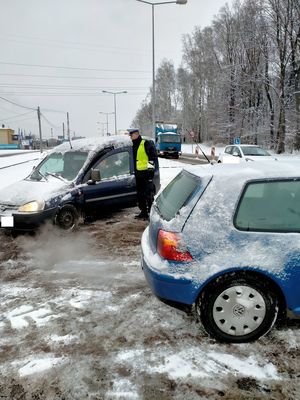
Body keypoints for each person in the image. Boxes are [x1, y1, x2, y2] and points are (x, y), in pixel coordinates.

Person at [128, 128, 158, 220]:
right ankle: (144, 212)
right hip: (137, 175)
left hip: (145, 175)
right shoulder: (132, 145)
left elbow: (152, 158)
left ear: (136, 134)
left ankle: (151, 214)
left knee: (148, 195)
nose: (130, 136)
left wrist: (150, 173)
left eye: (131, 134)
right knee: (140, 195)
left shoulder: (145, 143)